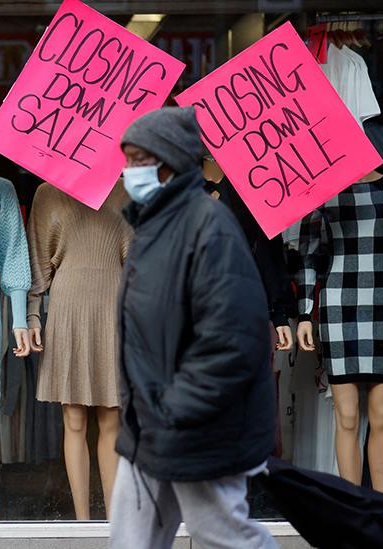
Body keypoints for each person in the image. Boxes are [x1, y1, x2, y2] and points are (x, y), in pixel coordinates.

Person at [109, 107, 277, 549]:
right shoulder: (152, 226)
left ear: (169, 163)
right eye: (126, 159)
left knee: (226, 538)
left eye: (139, 159)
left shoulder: (209, 227)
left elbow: (232, 341)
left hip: (197, 427)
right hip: (151, 425)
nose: (129, 171)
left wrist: (174, 409)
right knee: (131, 539)